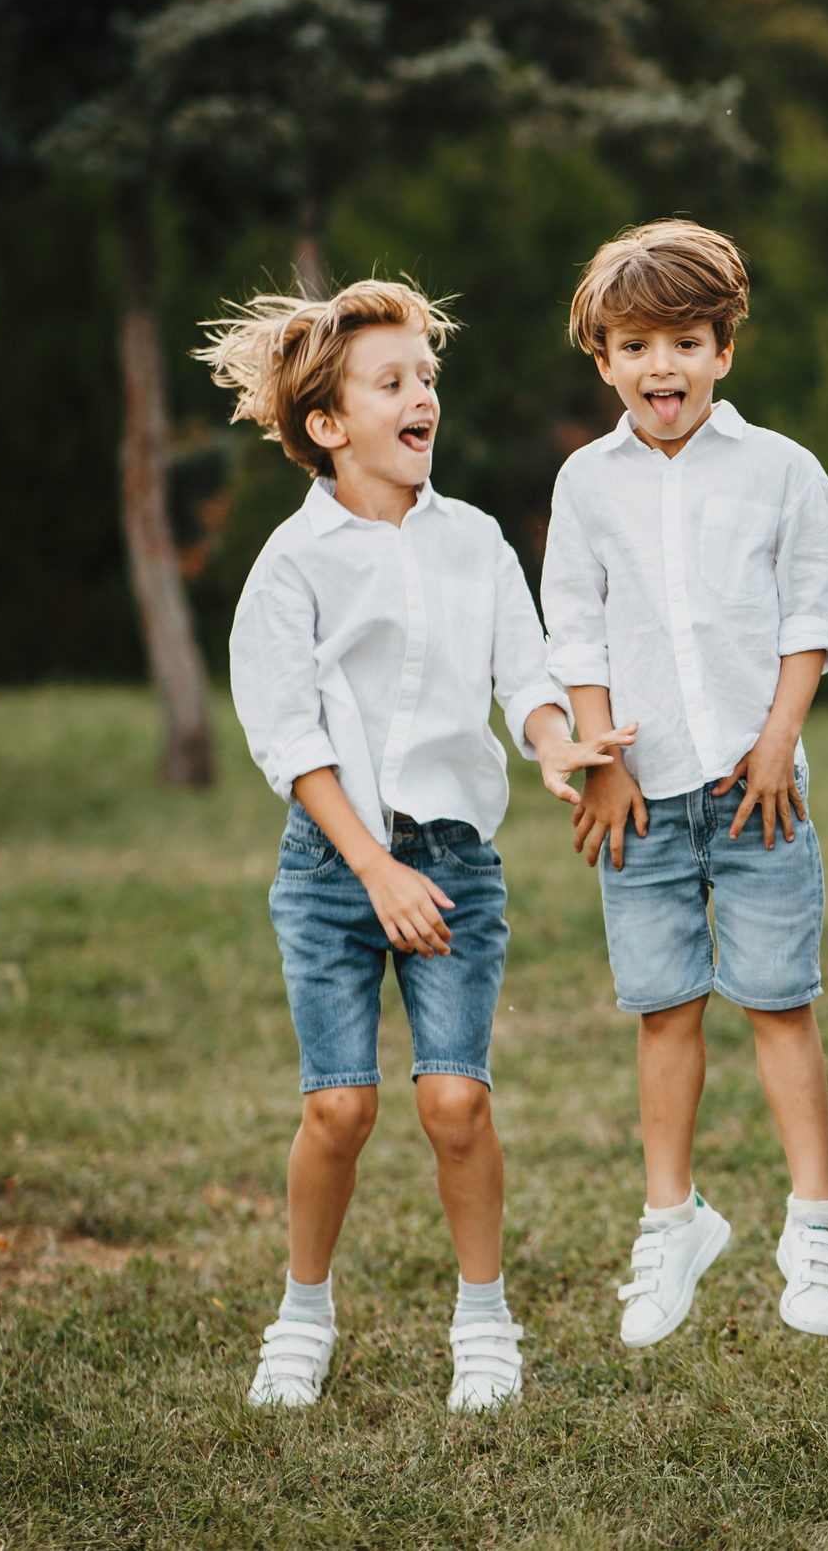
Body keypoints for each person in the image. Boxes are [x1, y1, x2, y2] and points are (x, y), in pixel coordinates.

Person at [216, 278, 624, 1412]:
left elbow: (526, 677)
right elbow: (286, 735)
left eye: (428, 379)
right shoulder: (293, 567)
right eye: (391, 382)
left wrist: (553, 745)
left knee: (456, 1103)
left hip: (453, 864)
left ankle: (484, 1321)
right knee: (338, 1109)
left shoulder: (477, 543)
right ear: (328, 425)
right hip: (334, 862)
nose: (422, 398)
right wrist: (371, 866)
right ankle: (302, 1313)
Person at [540, 220, 828, 1350]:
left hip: (755, 789)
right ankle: (670, 1221)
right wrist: (598, 757)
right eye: (635, 346)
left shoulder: (783, 471)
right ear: (603, 360)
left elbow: (806, 620)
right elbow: (574, 628)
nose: (661, 367)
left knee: (780, 1003)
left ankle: (814, 1229)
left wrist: (780, 739)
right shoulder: (586, 484)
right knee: (663, 1011)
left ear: (724, 348)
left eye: (684, 341)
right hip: (636, 792)